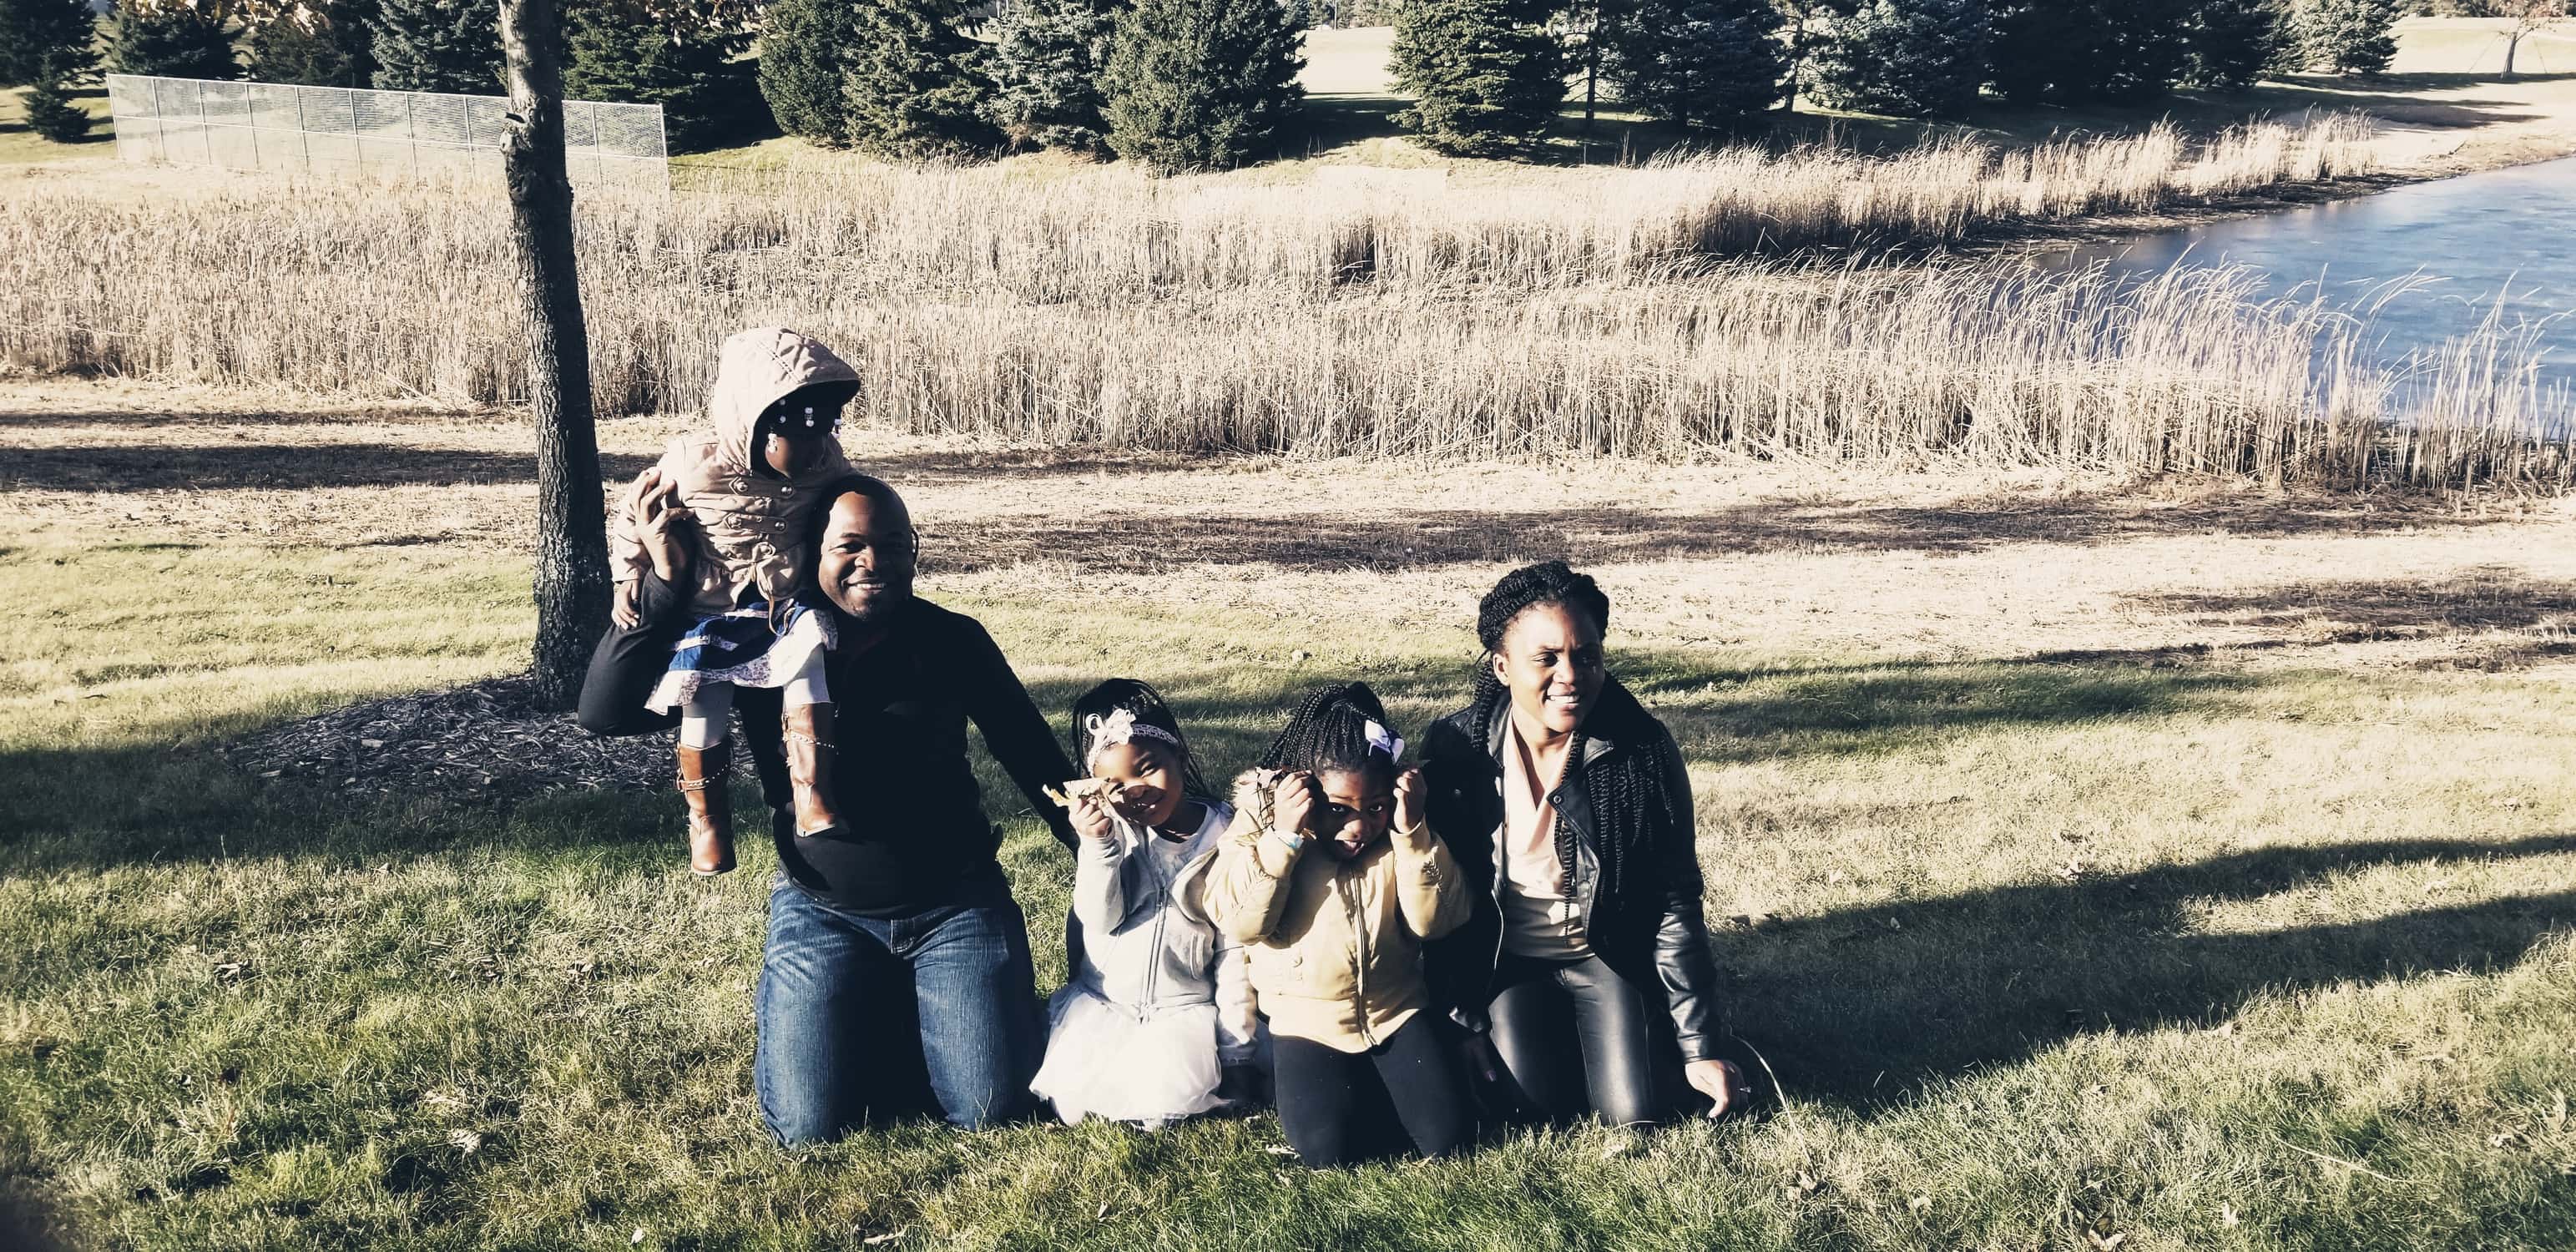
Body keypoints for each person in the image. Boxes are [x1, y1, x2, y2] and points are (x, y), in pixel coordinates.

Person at [588, 472, 1079, 1139]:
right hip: (825, 913)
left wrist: (1114, 847)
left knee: (989, 1112)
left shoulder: (951, 639)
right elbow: (606, 713)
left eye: (891, 544)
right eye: (849, 545)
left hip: (956, 906)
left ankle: (930, 1011)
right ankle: (879, 1007)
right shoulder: (763, 647)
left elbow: (1031, 753)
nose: (871, 561)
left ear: (914, 552)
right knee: (806, 1126)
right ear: (807, 553)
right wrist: (664, 588)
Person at [1420, 560, 1748, 1130]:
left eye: (1586, 655)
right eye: (1545, 658)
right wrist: (1460, 1024)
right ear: (1502, 666)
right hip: (1507, 964)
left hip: (1606, 953)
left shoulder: (1640, 750)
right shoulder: (1457, 748)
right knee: (1527, 1111)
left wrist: (1701, 1046)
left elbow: (1675, 901)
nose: (1570, 675)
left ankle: (1632, 1033)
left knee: (1638, 1114)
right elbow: (1439, 903)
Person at [580, 326, 863, 876]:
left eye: (825, 428)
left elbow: (853, 506)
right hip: (712, 609)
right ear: (755, 421)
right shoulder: (692, 463)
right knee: (702, 703)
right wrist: (628, 575)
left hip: (782, 604)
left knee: (808, 665)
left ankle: (812, 793)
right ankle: (707, 824)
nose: (814, 448)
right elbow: (631, 517)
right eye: (800, 432)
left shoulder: (828, 461)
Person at [1205, 684, 1474, 1167]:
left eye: (1374, 808)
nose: (1357, 827)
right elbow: (1241, 922)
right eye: (1338, 810)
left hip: (1396, 1008)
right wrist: (1284, 838)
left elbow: (1435, 923)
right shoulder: (1264, 820)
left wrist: (1412, 833)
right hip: (1307, 1021)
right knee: (1326, 1152)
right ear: (1306, 792)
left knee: (1447, 1139)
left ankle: (1383, 1083)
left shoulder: (1404, 826)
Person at [1027, 679, 1263, 1128]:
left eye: (1149, 768)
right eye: (1114, 782)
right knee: (1075, 1103)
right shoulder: (1110, 834)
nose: (1134, 790)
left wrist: (1237, 1055)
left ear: (1182, 758)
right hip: (1106, 1006)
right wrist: (1097, 847)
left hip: (1182, 1012)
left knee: (1164, 1105)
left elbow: (1235, 954)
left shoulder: (1226, 841)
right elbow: (1098, 918)